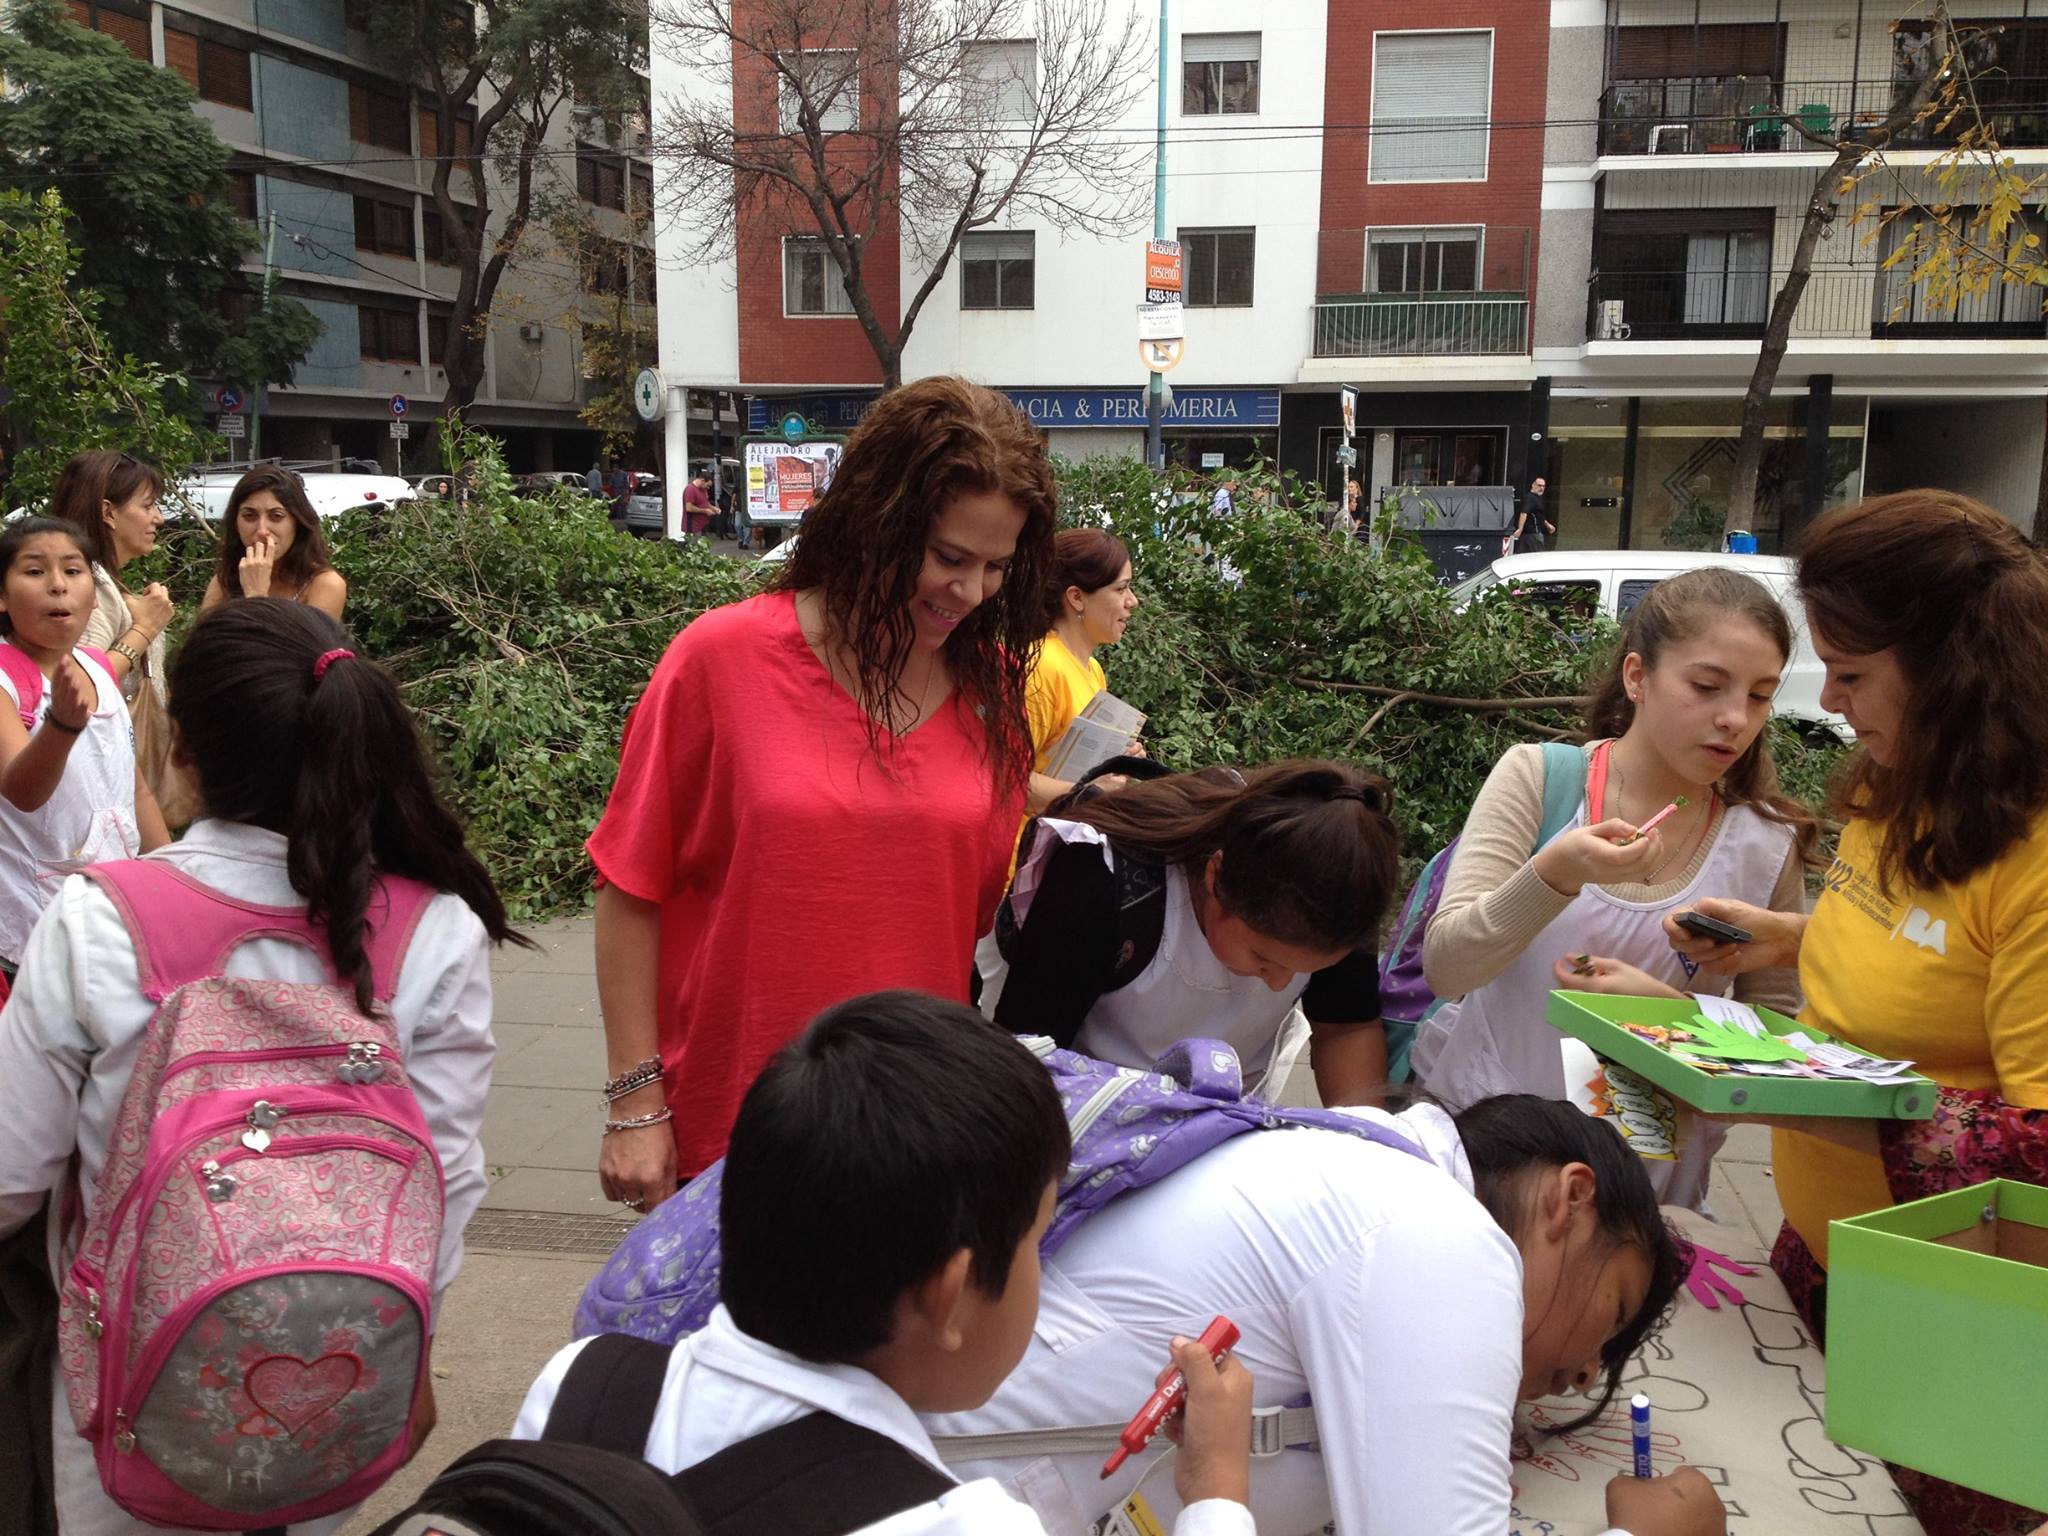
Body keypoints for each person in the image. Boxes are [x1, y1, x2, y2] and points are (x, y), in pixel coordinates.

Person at [0, 598, 519, 1535]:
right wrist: (411, 1345)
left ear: (184, 749)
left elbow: (9, 1176)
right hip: (341, 1390)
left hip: (124, 1410)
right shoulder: (433, 926)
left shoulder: (100, 919)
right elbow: (445, 1175)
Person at [1601, 492, 2048, 1536]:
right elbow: (1930, 952)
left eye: (1850, 674)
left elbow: (2036, 1146)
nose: (1831, 701)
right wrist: (1784, 939)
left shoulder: (2033, 850)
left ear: (1955, 665)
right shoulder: (1907, 784)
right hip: (1822, 1252)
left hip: (1958, 1311)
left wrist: (1771, 1087)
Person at [511, 993, 1256, 1535]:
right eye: (1037, 1237)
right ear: (951, 1295)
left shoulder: (580, 1384)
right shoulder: (956, 1525)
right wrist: (1216, 1493)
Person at [588, 376, 1057, 1214]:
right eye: (949, 557)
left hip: (918, 1133)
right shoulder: (721, 659)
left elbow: (966, 916)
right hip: (738, 1131)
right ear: (876, 518)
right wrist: (634, 1101)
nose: (973, 591)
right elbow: (630, 886)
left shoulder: (991, 691)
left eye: (997, 566)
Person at [928, 1090, 1717, 1536]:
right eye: (1610, 1313)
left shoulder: (1367, 1167)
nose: (1583, 1375)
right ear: (1570, 1199)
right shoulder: (1436, 1232)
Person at [1413, 567, 1819, 1207]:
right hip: (1486, 1162)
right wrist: (1555, 874)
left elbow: (1774, 1051)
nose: (1735, 719)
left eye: (1761, 695)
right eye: (1707, 686)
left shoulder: (1768, 842)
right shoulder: (1541, 781)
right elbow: (1448, 966)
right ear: (1637, 677)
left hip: (1641, 1189)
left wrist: (1667, 1016)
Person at [993, 761, 1397, 1106]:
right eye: (1263, 959)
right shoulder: (1102, 876)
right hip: (1081, 1109)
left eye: (1304, 972)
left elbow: (1346, 1027)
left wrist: (1361, 1138)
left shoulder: (1338, 896)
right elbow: (1027, 1057)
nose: (1280, 985)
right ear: (1214, 878)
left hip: (1220, 1126)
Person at [0, 519, 170, 978]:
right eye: (35, 572)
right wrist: (61, 727)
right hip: (36, 933)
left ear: (95, 595)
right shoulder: (5, 682)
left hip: (114, 918)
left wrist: (170, 880)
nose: (58, 586)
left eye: (73, 571)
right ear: (1, 595)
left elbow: (136, 793)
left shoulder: (96, 668)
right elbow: (23, 790)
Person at [1023, 529, 1141, 816]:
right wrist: (1092, 791)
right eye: (1120, 588)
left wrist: (1119, 762)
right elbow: (1010, 782)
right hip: (1024, 854)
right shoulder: (1039, 667)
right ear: (1076, 597)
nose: (1132, 601)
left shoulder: (1094, 670)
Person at [45, 452, 175, 705]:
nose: (158, 518)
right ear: (108, 513)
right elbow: (80, 685)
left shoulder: (101, 579)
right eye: (147, 506)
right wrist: (145, 628)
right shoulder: (88, 585)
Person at [198, 466, 348, 620]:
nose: (262, 530)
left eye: (276, 516)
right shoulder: (225, 581)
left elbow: (303, 644)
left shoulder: (324, 584)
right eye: (249, 516)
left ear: (297, 522)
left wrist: (256, 595)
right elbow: (205, 641)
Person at [1514, 476, 1555, 554]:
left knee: (1524, 555)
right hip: (1533, 533)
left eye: (1543, 486)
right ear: (1533, 485)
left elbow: (1539, 515)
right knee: (1538, 556)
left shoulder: (1538, 498)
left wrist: (1548, 525)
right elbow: (1524, 513)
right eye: (1539, 485)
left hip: (1530, 534)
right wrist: (1520, 529)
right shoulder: (1530, 498)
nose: (1541, 488)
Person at [683, 467, 716, 537]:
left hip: (703, 525)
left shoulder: (703, 489)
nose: (708, 488)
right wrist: (705, 511)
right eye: (708, 485)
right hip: (693, 526)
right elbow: (689, 508)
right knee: (695, 545)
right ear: (702, 480)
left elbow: (705, 503)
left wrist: (713, 508)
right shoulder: (690, 489)